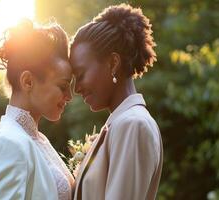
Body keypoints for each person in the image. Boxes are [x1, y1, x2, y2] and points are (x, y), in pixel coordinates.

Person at [69, 4, 163, 200]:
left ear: (113, 63)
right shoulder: (120, 124)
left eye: (81, 74)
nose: (76, 88)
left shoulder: (133, 125)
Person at [0, 19, 74, 200]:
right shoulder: (7, 142)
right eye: (63, 86)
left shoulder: (37, 139)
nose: (69, 96)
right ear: (28, 81)